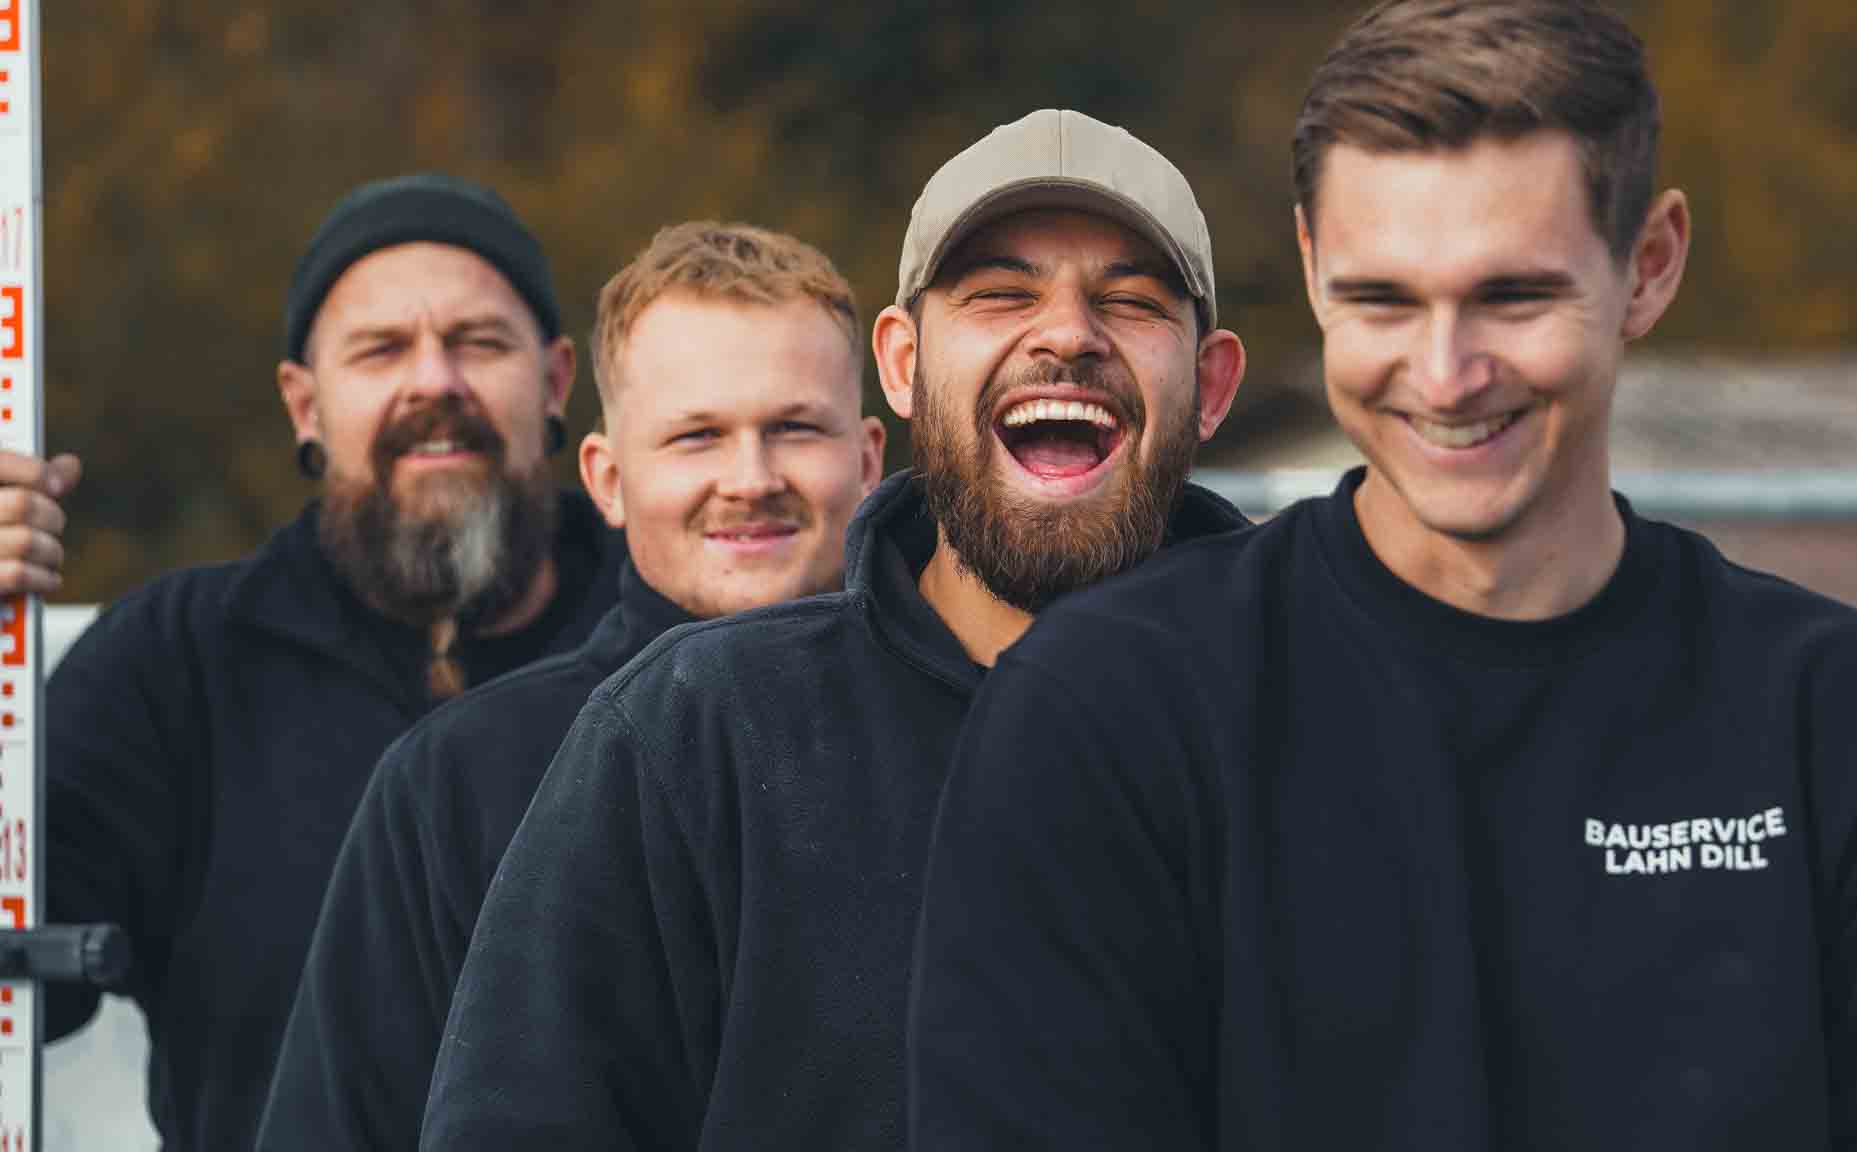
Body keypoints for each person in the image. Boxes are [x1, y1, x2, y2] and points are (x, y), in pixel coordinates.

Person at [908, 3, 1857, 1149]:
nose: (1444, 375)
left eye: (1511, 297)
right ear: (1309, 268)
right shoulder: (1106, 714)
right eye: (1383, 300)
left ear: (1646, 267)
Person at [417, 109, 1249, 1150]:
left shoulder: (1325, 735)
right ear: (899, 366)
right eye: (999, 292)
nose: (1067, 334)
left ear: (1210, 385)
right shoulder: (694, 736)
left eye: (1129, 300)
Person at [254, 221, 885, 1152]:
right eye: (696, 437)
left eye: (794, 427)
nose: (750, 479)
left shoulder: (970, 728)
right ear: (607, 478)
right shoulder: (452, 782)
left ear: (869, 460)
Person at [43, 172, 628, 1152]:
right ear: (302, 404)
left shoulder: (675, 646)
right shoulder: (176, 665)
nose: (434, 381)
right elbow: (26, 984)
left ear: (557, 381)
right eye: (380, 349)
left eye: (478, 342)